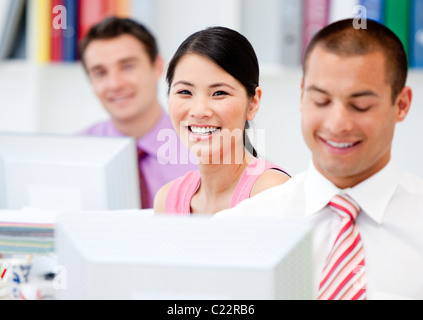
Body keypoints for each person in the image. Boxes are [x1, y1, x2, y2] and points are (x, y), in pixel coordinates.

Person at [216, 19, 423, 300]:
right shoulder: (242, 229)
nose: (337, 124)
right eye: (321, 101)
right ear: (302, 96)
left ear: (401, 105)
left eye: (360, 105)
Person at [154, 27, 291, 215]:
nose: (199, 111)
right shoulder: (167, 200)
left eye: (219, 93)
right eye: (184, 92)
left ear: (253, 103)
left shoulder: (272, 195)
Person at [78, 17, 197, 209]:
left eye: (128, 66)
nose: (115, 84)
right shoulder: (76, 154)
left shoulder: (205, 151)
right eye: (100, 72)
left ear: (157, 67)